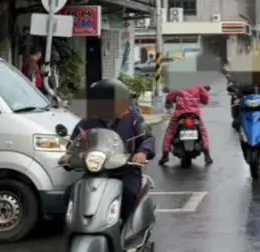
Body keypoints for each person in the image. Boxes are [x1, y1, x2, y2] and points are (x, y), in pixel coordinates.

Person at [73, 78, 155, 220]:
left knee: (129, 194)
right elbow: (76, 141)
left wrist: (142, 152)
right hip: (96, 172)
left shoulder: (134, 119)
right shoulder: (87, 122)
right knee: (72, 194)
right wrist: (69, 155)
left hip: (126, 171)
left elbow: (147, 138)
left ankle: (125, 229)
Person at [160, 83, 213, 165]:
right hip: (195, 115)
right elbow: (205, 98)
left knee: (170, 132)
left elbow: (170, 97)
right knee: (203, 132)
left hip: (180, 115)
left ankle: (165, 154)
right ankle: (207, 155)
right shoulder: (198, 85)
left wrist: (169, 101)